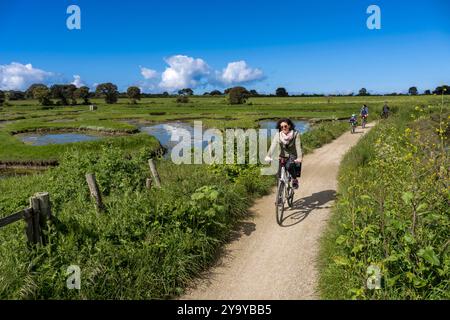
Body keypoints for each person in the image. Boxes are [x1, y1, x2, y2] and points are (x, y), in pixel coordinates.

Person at [265, 118, 302, 189]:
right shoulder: (278, 135)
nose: (283, 128)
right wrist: (268, 156)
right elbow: (273, 145)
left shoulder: (295, 134)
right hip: (281, 155)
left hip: (292, 155)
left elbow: (298, 146)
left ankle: (294, 179)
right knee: (278, 172)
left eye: (285, 126)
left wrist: (299, 157)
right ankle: (281, 188)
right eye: (281, 127)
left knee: (289, 166)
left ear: (289, 126)